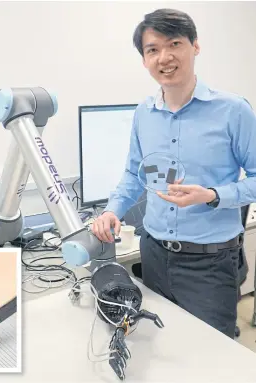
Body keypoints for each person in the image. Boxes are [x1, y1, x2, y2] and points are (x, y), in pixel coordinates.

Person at [91, 8, 256, 339]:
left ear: (195, 46)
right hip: (153, 255)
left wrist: (212, 196)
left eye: (174, 44)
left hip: (208, 265)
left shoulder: (233, 110)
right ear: (144, 60)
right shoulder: (144, 113)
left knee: (210, 355)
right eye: (153, 49)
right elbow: (134, 174)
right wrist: (113, 210)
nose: (164, 57)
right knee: (163, 347)